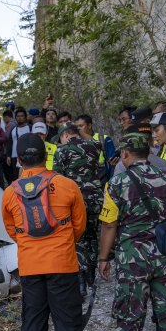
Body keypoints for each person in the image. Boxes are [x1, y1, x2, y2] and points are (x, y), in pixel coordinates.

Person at [1, 134, 89, 331]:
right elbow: (79, 226)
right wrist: (60, 243)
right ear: (46, 156)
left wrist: (32, 246)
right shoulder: (67, 185)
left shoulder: (9, 192)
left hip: (30, 265)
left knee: (32, 322)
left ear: (19, 160)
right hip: (62, 263)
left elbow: (11, 230)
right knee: (66, 322)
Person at [97, 132, 166, 331]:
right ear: (148, 153)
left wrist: (104, 257)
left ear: (126, 154)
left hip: (132, 258)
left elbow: (109, 225)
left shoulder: (116, 183)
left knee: (130, 311)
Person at [53, 123, 104, 296]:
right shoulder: (94, 146)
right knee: (92, 235)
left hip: (75, 200)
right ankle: (91, 273)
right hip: (96, 198)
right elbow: (94, 141)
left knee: (78, 238)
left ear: (65, 135)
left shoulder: (61, 151)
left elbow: (57, 179)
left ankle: (80, 278)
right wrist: (81, 133)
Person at [75, 114, 116, 180]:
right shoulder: (75, 143)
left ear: (89, 126)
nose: (78, 129)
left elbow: (113, 161)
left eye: (81, 126)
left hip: (103, 177)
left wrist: (111, 180)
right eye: (76, 127)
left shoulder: (103, 139)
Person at [6, 107, 31, 182]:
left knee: (28, 175)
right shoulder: (13, 129)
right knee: (16, 176)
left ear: (25, 117)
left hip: (28, 156)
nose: (20, 118)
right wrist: (8, 156)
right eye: (18, 116)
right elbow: (10, 142)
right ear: (15, 118)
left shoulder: (30, 128)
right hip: (15, 157)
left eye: (22, 116)